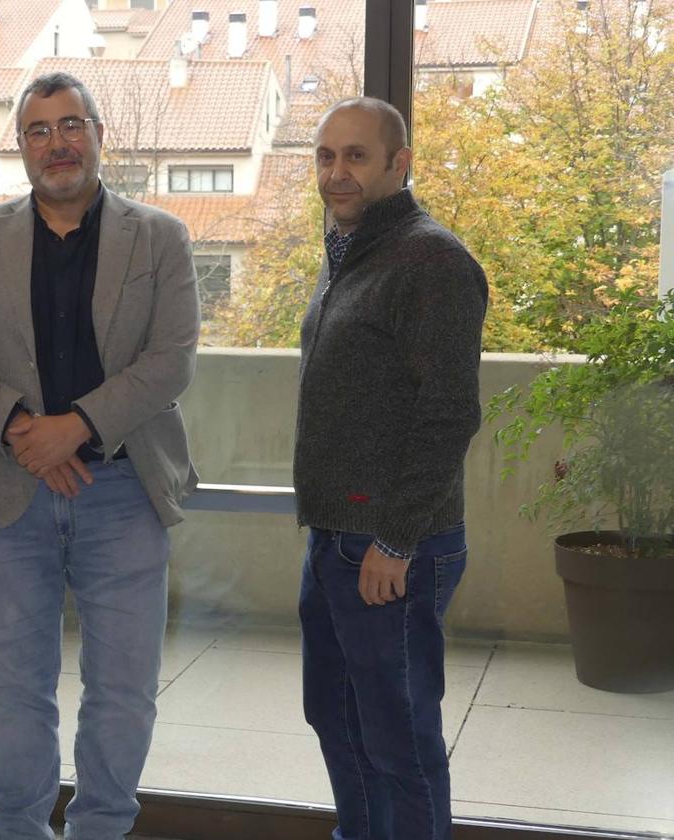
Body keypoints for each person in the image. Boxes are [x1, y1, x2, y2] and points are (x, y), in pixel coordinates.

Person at [0, 72, 200, 840]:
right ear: (19, 147)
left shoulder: (160, 237)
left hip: (122, 493)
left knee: (124, 690)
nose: (58, 142)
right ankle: (17, 829)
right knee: (15, 687)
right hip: (4, 492)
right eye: (39, 130)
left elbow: (171, 359)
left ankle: (102, 830)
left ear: (99, 134)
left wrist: (74, 426)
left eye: (72, 124)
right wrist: (23, 430)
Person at [294, 97, 488, 840]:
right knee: (336, 718)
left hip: (389, 547)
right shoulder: (349, 248)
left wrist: (397, 541)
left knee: (398, 741)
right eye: (324, 156)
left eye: (356, 156)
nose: (336, 172)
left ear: (399, 164)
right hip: (335, 539)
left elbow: (448, 415)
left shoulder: (432, 260)